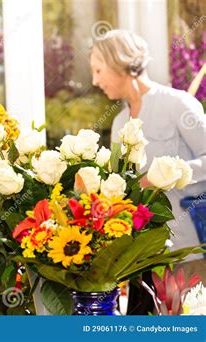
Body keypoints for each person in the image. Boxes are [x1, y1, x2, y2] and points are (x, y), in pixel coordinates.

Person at [90, 29, 206, 314]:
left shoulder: (177, 104)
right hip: (143, 256)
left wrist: (168, 173)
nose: (95, 80)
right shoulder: (119, 123)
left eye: (98, 70)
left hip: (188, 249)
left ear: (120, 64)